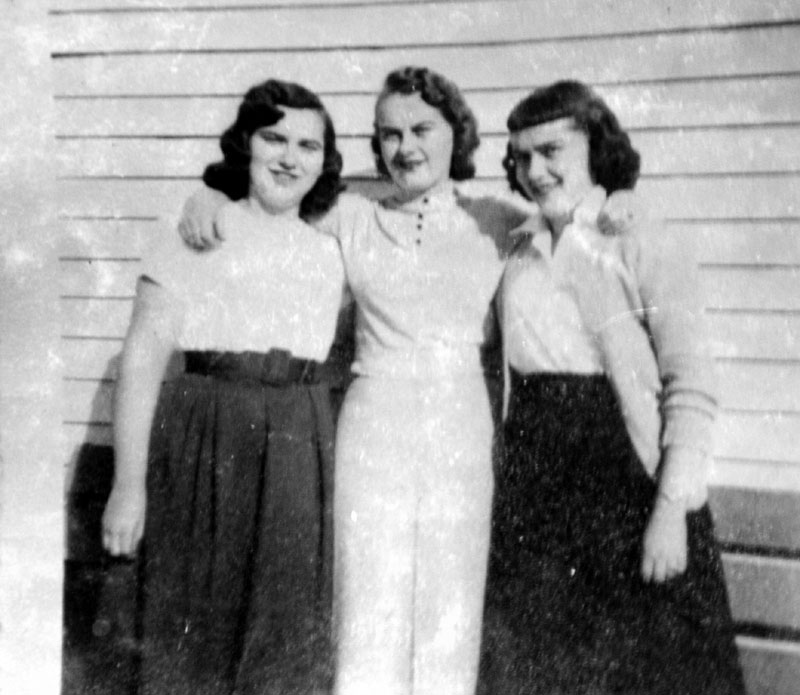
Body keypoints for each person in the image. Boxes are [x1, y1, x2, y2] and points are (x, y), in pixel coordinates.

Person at [179, 67, 635, 695]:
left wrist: (619, 199)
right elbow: (271, 191)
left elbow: (581, 206)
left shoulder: (500, 219)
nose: (405, 147)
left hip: (460, 425)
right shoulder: (350, 214)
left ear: (457, 135)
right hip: (372, 423)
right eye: (389, 134)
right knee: (368, 597)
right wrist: (207, 192)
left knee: (451, 600)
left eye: (422, 128)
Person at [478, 80, 745, 695]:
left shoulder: (640, 235)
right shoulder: (515, 248)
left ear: (595, 148)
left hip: (624, 475)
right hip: (535, 474)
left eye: (551, 151)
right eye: (520, 157)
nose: (534, 170)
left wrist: (672, 510)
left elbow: (691, 384)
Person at [100, 78, 346, 695]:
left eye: (309, 146)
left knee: (284, 635)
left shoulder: (335, 244)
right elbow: (141, 358)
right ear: (245, 144)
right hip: (204, 440)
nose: (291, 158)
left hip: (299, 442)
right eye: (275, 138)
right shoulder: (195, 232)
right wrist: (127, 486)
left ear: (325, 160)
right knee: (192, 629)